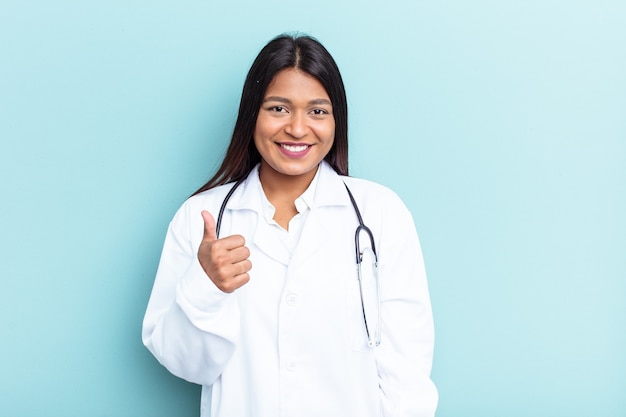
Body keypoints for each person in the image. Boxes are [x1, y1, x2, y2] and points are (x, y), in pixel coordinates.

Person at [142, 33, 438, 417]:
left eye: (317, 111)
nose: (298, 129)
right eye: (279, 109)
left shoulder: (380, 213)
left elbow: (407, 369)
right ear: (252, 114)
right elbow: (187, 365)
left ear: (336, 121)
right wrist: (205, 286)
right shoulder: (202, 219)